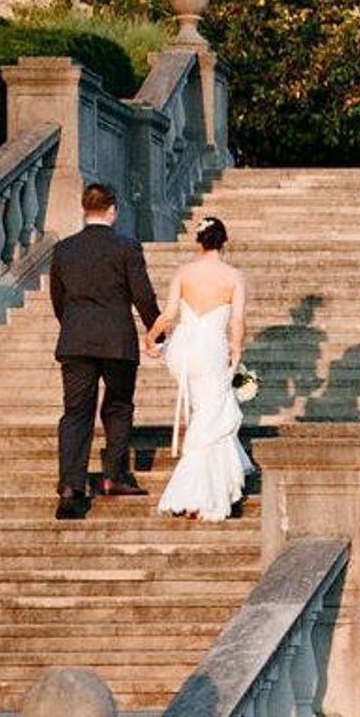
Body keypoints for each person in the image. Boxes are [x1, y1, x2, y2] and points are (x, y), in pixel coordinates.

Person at [46, 182, 158, 520]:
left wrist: (73, 326)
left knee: (76, 412)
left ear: (85, 209)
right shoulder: (126, 247)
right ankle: (112, 476)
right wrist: (157, 331)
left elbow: (58, 296)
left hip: (76, 339)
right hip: (117, 340)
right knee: (119, 406)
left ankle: (71, 485)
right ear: (113, 209)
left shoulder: (64, 249)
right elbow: (143, 295)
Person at [148, 217, 253, 522]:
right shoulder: (233, 276)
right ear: (224, 241)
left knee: (205, 414)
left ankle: (201, 491)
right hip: (211, 350)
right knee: (212, 416)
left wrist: (150, 337)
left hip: (185, 350)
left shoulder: (184, 272)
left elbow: (169, 315)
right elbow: (237, 321)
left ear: (199, 241)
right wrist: (236, 349)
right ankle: (203, 494)